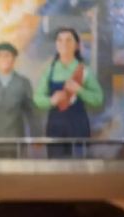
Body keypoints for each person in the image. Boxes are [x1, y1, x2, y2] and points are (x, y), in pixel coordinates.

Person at [33, 28, 104, 159]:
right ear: (56, 44)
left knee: (80, 169)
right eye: (60, 40)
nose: (64, 44)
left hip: (78, 126)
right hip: (55, 127)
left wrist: (80, 90)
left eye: (68, 40)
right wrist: (51, 101)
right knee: (56, 169)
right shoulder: (50, 70)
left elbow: (98, 99)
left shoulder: (85, 71)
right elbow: (37, 98)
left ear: (76, 45)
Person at [0, 42, 37, 141]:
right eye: (0, 56)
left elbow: (31, 112)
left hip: (15, 137)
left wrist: (36, 135)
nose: (4, 59)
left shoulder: (23, 83)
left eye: (7, 56)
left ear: (14, 59)